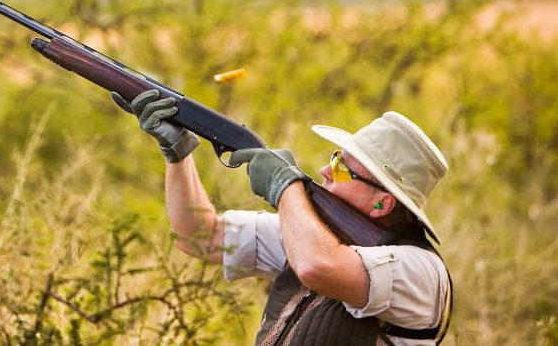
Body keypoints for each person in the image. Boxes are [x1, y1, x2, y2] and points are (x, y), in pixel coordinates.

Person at [112, 90, 452, 346]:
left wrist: (285, 187)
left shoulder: (420, 272)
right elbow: (199, 235)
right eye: (335, 158)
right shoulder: (317, 234)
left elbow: (318, 266)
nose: (324, 171)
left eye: (341, 168)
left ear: (382, 204)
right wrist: (178, 154)